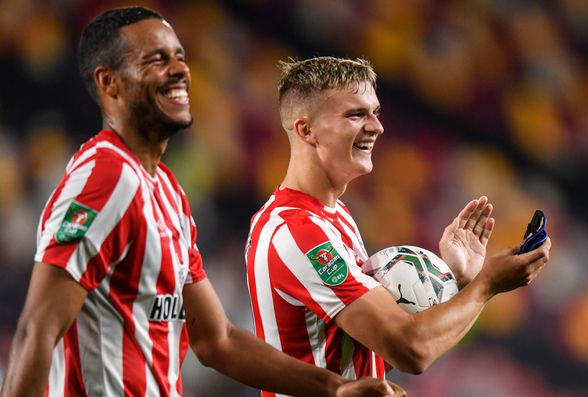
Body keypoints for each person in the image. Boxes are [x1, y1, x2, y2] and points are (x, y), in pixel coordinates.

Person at [0, 8, 405, 397]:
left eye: (179, 56)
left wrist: (335, 388)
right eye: (156, 60)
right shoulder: (104, 178)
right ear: (109, 83)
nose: (180, 70)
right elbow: (36, 329)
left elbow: (217, 340)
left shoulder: (169, 194)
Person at [245, 56, 552, 391]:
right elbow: (410, 350)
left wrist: (455, 281)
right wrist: (487, 285)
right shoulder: (297, 232)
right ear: (307, 130)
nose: (377, 126)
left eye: (375, 112)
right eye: (356, 114)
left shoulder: (334, 216)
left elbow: (362, 355)